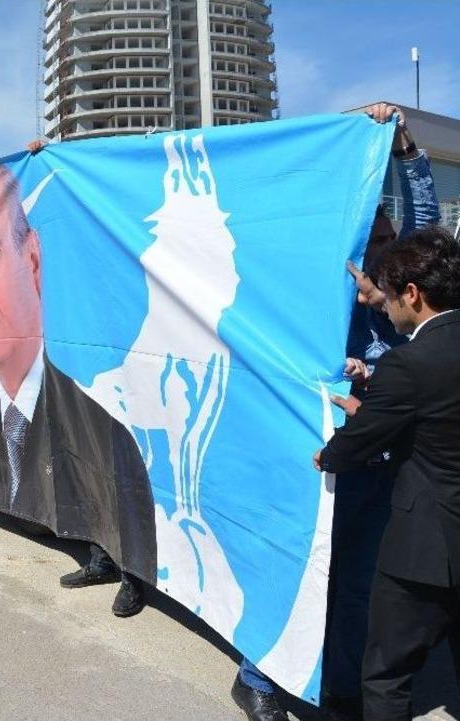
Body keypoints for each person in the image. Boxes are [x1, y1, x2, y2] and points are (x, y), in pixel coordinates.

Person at [232, 101, 442, 721]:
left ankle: (342, 683)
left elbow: (427, 231)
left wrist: (406, 152)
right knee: (294, 559)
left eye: (385, 239)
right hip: (320, 450)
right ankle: (259, 676)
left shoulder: (402, 301)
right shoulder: (312, 290)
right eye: (371, 242)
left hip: (382, 462)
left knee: (357, 581)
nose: (381, 250)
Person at [0, 163, 157, 617]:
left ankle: (130, 575)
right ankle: (99, 556)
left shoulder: (105, 424)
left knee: (100, 470)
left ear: (33, 260)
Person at [313, 227, 460, 720]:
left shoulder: (410, 362)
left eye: (390, 297)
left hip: (424, 550)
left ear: (413, 295)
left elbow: (359, 443)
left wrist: (330, 453)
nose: (385, 307)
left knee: (386, 675)